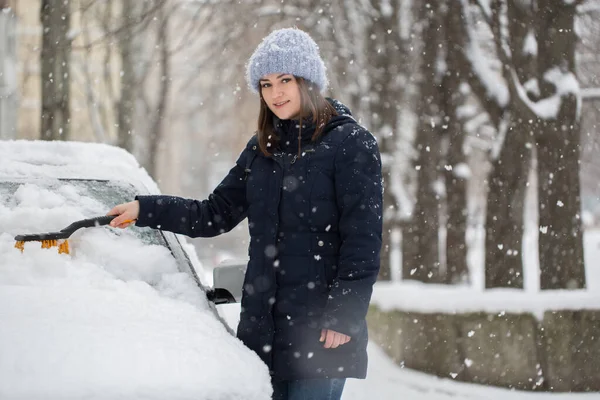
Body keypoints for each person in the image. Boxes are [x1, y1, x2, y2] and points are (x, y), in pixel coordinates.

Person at [107, 27, 383, 400]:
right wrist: (146, 208)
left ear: (310, 81)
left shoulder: (351, 144)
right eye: (266, 85)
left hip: (320, 333)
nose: (275, 93)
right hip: (261, 334)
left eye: (285, 80)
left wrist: (342, 317)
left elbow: (362, 242)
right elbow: (213, 214)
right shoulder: (262, 149)